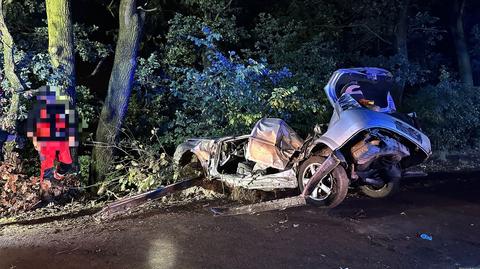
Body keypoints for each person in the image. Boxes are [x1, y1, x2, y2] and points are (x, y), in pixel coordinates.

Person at [27, 86, 78, 190]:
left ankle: (57, 179)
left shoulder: (63, 107)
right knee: (47, 167)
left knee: (67, 163)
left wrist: (71, 138)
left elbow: (71, 124)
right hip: (45, 140)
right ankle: (45, 191)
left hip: (61, 139)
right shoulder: (36, 109)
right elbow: (30, 127)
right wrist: (35, 140)